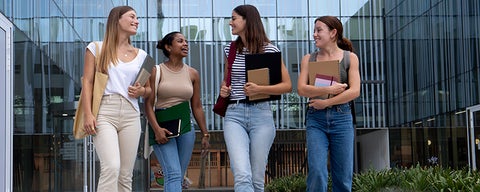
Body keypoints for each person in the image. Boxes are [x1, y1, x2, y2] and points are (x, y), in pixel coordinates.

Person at [218, 5, 292, 191]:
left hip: (262, 115)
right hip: (234, 114)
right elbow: (227, 80)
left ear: (247, 20)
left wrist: (260, 88)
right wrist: (223, 90)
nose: (230, 22)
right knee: (242, 175)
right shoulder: (230, 49)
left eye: (234, 18)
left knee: (257, 180)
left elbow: (287, 86)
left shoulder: (270, 49)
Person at [81, 6, 151, 192]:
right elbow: (87, 82)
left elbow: (149, 90)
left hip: (131, 113)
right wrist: (88, 114)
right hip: (104, 111)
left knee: (126, 174)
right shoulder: (96, 48)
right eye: (132, 17)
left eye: (137, 18)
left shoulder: (142, 55)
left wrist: (141, 91)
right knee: (111, 167)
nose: (136, 21)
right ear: (117, 20)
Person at [297, 16, 361, 192]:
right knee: (317, 171)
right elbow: (302, 89)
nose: (314, 34)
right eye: (314, 30)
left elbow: (355, 91)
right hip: (315, 120)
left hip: (342, 118)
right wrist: (330, 89)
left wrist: (327, 102)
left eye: (319, 30)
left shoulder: (350, 58)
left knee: (342, 175)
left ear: (333, 33)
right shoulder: (308, 59)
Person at [144, 31, 210, 192]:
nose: (185, 44)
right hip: (162, 126)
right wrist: (157, 129)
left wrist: (205, 134)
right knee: (173, 173)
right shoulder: (155, 71)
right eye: (180, 41)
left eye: (186, 41)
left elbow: (197, 106)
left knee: (178, 175)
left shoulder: (193, 73)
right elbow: (148, 104)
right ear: (168, 47)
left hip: (186, 127)